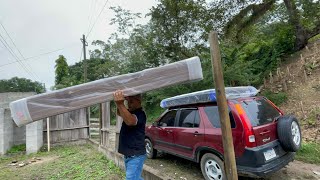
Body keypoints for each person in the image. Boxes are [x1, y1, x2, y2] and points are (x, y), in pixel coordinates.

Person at [113, 90, 147, 180]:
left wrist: (120, 104)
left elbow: (130, 121)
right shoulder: (130, 112)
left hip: (136, 155)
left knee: (131, 178)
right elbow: (119, 112)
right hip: (129, 154)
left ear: (139, 101)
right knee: (135, 177)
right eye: (128, 102)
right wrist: (120, 101)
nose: (129, 104)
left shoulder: (140, 114)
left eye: (131, 102)